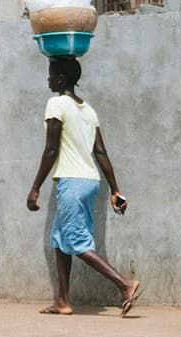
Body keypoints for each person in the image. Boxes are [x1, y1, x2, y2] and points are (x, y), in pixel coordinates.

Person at [25, 56, 142, 316]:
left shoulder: (56, 103)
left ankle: (124, 284)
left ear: (62, 78)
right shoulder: (88, 110)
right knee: (59, 238)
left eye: (51, 74)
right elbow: (100, 152)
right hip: (90, 181)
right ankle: (63, 301)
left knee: (77, 242)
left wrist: (35, 187)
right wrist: (114, 189)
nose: (48, 79)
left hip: (72, 182)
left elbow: (51, 148)